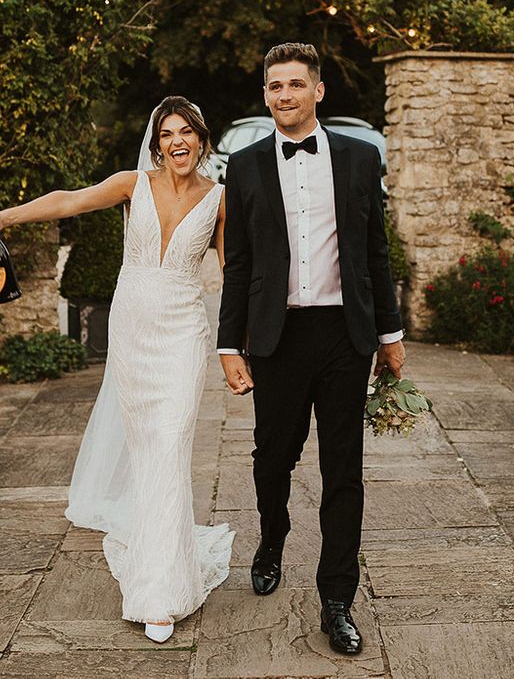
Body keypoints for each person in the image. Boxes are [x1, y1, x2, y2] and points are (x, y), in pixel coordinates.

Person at [0, 96, 235, 644]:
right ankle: (161, 558)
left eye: (187, 132)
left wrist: (240, 345)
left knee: (171, 444)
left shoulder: (221, 201)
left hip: (183, 331)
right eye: (167, 132)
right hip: (133, 331)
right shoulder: (133, 184)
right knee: (147, 447)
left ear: (202, 139)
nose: (178, 141)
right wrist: (5, 214)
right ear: (157, 142)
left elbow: (235, 273)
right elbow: (70, 201)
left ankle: (161, 591)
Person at [217, 42, 405, 655]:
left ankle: (337, 599)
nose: (285, 96)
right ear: (265, 94)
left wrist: (390, 334)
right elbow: (239, 265)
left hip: (343, 335)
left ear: (318, 91)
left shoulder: (357, 158)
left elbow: (376, 253)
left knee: (342, 470)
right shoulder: (243, 167)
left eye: (296, 85)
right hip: (277, 336)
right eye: (275, 86)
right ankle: (272, 537)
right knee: (272, 459)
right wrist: (229, 344)